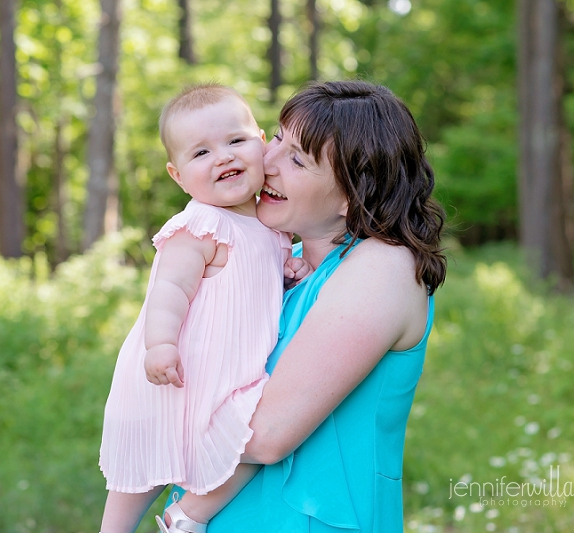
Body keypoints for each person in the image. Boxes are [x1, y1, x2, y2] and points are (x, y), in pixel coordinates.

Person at [165, 80, 447, 532]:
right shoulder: (280, 269)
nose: (266, 162)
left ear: (351, 194)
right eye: (276, 138)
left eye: (297, 159)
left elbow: (265, 435)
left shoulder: (381, 267)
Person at [98, 84, 310, 533]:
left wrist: (288, 271)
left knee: (246, 441)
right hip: (179, 368)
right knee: (143, 463)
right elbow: (169, 290)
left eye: (235, 141)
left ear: (262, 143)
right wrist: (160, 345)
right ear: (178, 176)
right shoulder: (200, 225)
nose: (223, 157)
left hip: (234, 371)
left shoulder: (271, 224)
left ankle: (188, 516)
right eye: (201, 153)